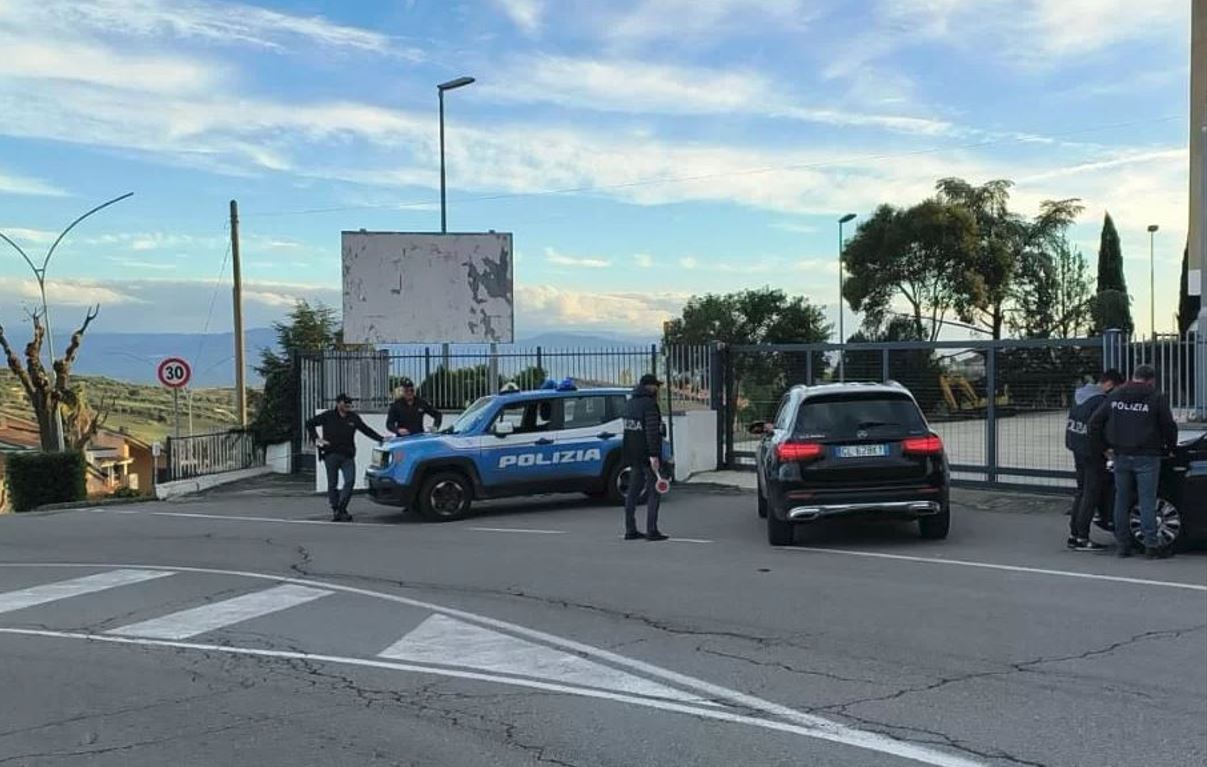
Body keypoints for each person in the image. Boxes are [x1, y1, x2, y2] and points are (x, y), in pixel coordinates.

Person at [1088, 364, 1179, 559]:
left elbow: (1094, 422)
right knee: (1147, 500)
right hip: (1147, 455)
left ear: (1133, 376)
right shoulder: (1156, 397)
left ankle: (1123, 545)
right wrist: (1171, 448)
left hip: (1120, 454)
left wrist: (1104, 448)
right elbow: (1168, 426)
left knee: (1121, 500)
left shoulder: (1116, 395)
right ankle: (1151, 545)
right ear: (1151, 380)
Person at [1064, 369, 1123, 551]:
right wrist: (1106, 449)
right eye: (1116, 389)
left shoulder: (1079, 395)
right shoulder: (1101, 401)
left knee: (1081, 491)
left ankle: (1074, 535)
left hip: (1077, 447)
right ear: (1110, 384)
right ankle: (1083, 537)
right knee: (1091, 494)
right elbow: (1099, 428)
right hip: (1093, 452)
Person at [306, 393, 385, 522]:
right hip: (331, 454)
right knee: (332, 483)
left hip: (347, 455)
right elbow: (309, 423)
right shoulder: (328, 416)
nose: (348, 405)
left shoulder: (353, 417)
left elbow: (366, 430)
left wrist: (381, 438)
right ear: (338, 403)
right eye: (345, 402)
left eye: (350, 402)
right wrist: (316, 439)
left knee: (350, 480)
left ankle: (341, 508)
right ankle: (335, 509)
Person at [623, 373, 667, 542]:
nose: (657, 389)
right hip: (647, 455)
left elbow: (628, 430)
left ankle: (630, 529)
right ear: (649, 386)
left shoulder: (630, 403)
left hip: (632, 453)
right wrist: (654, 455)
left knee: (633, 492)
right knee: (655, 491)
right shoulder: (649, 405)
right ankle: (652, 530)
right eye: (656, 386)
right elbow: (652, 431)